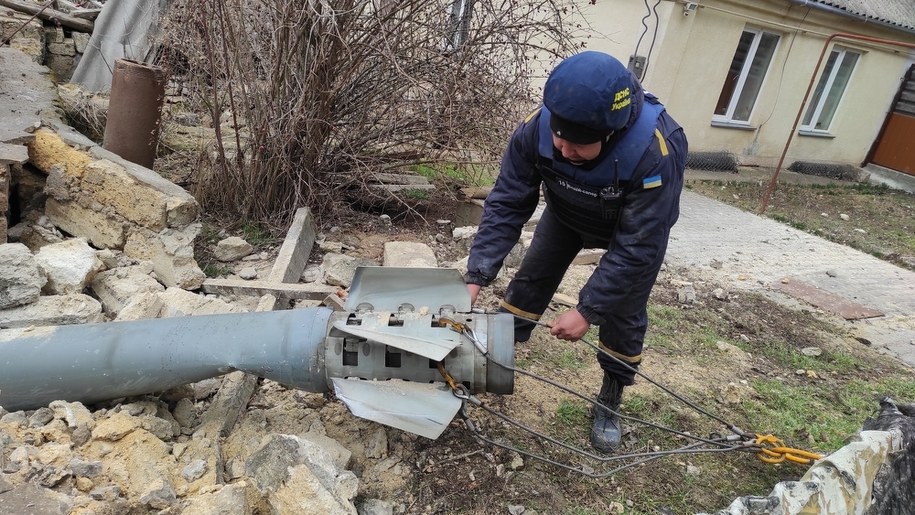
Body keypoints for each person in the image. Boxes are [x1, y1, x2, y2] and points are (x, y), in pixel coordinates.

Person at [464, 51, 688, 453]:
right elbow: (508, 201)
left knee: (623, 313)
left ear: (612, 132)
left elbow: (640, 244)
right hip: (567, 214)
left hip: (631, 231)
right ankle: (491, 362)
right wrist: (477, 275)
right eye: (560, 138)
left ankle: (610, 398)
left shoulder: (656, 150)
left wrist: (587, 310)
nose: (564, 150)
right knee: (529, 283)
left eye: (579, 144)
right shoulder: (536, 129)